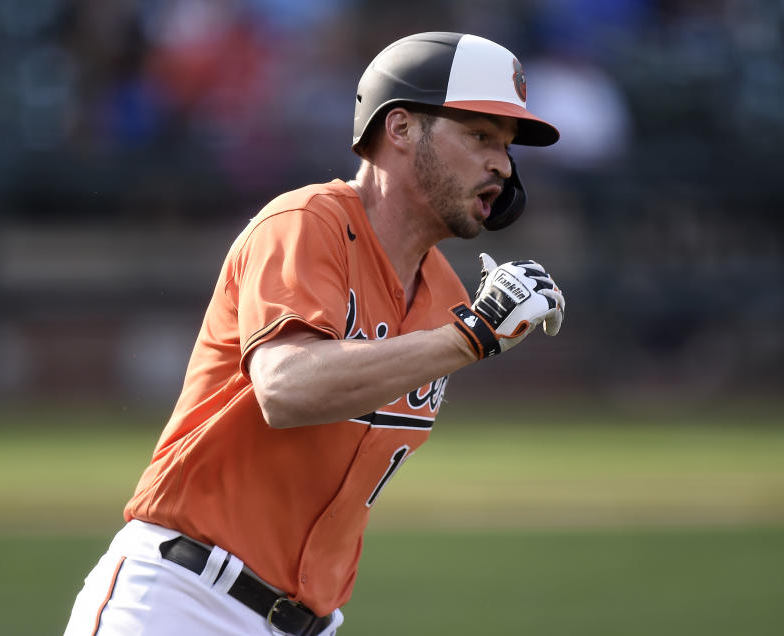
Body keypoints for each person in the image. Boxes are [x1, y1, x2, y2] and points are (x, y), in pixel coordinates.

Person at [64, 31, 565, 636]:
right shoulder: (306, 223)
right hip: (180, 602)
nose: (502, 165)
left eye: (507, 147)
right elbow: (286, 390)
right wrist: (469, 338)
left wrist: (466, 331)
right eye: (481, 135)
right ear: (400, 128)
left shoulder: (450, 300)